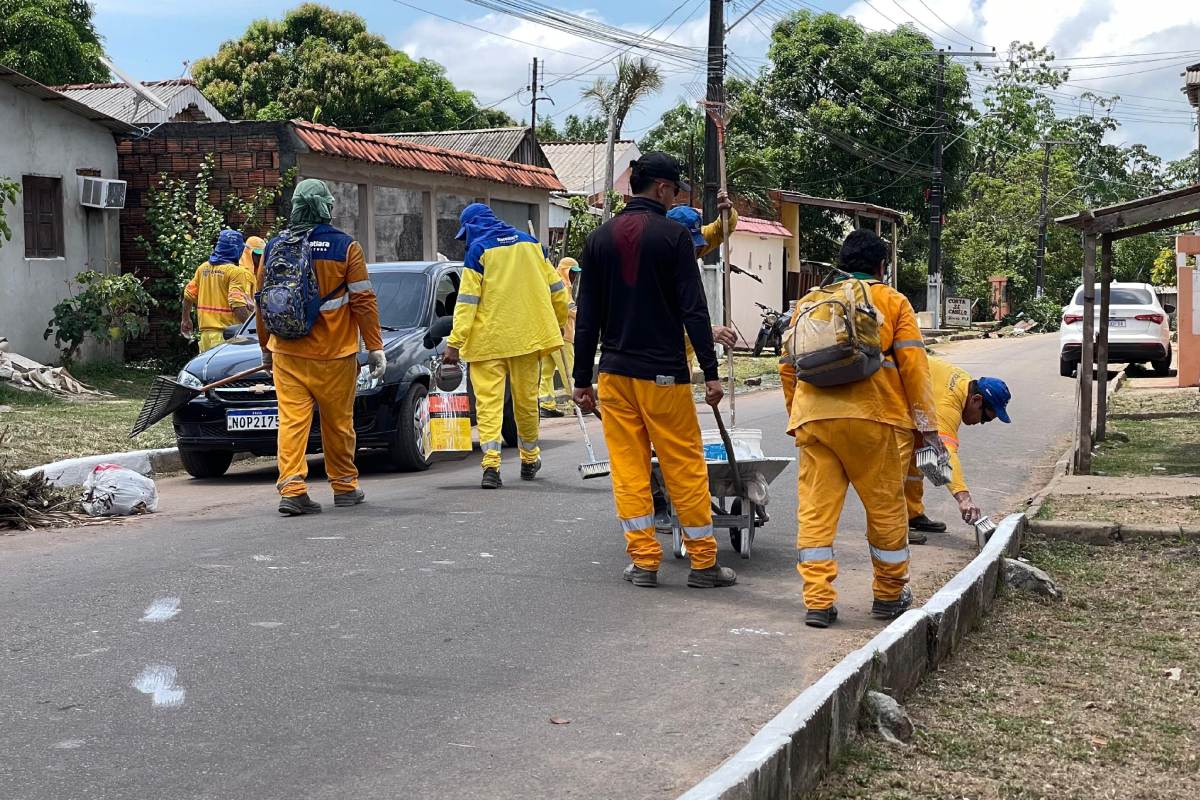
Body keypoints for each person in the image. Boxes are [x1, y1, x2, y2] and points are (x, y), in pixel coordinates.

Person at [572, 151, 737, 590]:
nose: (674, 197)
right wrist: (711, 372)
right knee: (684, 467)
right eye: (675, 190)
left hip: (614, 375)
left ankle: (644, 562)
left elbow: (586, 316)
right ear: (662, 188)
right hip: (663, 375)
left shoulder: (599, 238)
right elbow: (693, 309)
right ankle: (704, 564)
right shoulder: (674, 237)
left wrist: (581, 379)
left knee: (630, 470)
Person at [779, 229, 941, 628]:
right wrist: (927, 426)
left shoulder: (809, 302)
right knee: (886, 509)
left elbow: (787, 366)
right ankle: (888, 595)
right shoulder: (892, 300)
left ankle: (818, 601)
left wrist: (796, 415)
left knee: (816, 513)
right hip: (875, 419)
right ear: (882, 267)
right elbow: (914, 368)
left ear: (842, 263)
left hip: (815, 420)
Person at [255, 179, 385, 516]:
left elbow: (262, 301)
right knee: (338, 423)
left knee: (292, 422)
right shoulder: (345, 247)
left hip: (287, 352)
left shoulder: (274, 246)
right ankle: (344, 486)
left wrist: (266, 348)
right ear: (326, 206)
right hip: (334, 354)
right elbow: (363, 300)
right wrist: (375, 346)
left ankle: (292, 489)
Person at [442, 203, 569, 489]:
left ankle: (491, 466)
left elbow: (467, 303)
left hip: (487, 343)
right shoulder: (531, 245)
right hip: (527, 339)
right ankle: (529, 459)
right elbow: (557, 291)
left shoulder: (479, 251)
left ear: (473, 226)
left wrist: (454, 343)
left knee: (489, 406)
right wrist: (558, 323)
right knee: (526, 403)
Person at [903, 356, 1012, 541]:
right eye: (985, 418)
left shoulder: (964, 383)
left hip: (907, 399)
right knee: (896, 463)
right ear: (976, 399)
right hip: (883, 400)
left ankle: (912, 513)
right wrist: (964, 498)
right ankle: (892, 528)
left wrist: (938, 471)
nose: (982, 423)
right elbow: (945, 454)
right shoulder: (948, 407)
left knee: (919, 449)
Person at [181, 229, 255, 352]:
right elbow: (237, 304)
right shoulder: (236, 272)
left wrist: (185, 319)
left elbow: (188, 295)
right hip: (228, 337)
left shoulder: (203, 268)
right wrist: (251, 328)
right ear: (236, 249)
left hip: (205, 337)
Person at [537, 257, 580, 418]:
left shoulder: (551, 281)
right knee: (569, 371)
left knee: (546, 372)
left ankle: (546, 404)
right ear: (565, 270)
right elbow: (568, 307)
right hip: (562, 335)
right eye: (572, 272)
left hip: (548, 334)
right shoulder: (562, 285)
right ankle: (578, 403)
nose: (574, 276)